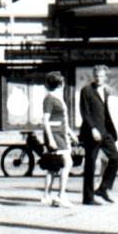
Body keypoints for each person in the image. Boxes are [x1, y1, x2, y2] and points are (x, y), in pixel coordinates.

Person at [78, 64, 118, 205]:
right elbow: (85, 112)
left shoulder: (108, 91)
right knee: (90, 164)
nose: (99, 78)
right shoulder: (86, 91)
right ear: (93, 76)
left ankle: (103, 188)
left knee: (115, 158)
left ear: (106, 77)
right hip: (93, 133)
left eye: (102, 76)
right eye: (96, 76)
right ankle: (88, 198)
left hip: (107, 131)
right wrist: (92, 128)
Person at [39, 71, 71, 206]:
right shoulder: (50, 99)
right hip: (55, 134)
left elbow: (61, 119)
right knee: (67, 163)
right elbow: (45, 120)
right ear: (60, 84)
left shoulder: (55, 98)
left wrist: (70, 134)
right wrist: (51, 139)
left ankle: (46, 195)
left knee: (53, 167)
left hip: (60, 133)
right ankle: (61, 195)